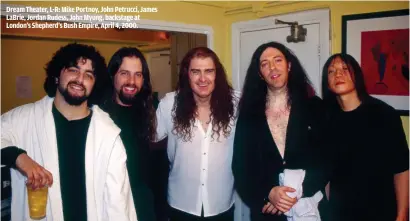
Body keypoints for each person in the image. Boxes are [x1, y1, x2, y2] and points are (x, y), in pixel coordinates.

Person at [1, 43, 137, 221]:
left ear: (94, 84)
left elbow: (118, 203)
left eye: (89, 75)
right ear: (57, 75)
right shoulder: (25, 119)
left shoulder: (108, 135)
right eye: (73, 70)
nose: (80, 79)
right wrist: (19, 157)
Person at [232, 41, 328, 221]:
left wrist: (295, 193)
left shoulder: (314, 107)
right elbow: (241, 165)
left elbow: (327, 158)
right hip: (267, 213)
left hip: (309, 208)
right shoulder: (249, 113)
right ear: (260, 74)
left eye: (277, 60)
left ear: (289, 65)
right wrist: (267, 193)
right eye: (264, 64)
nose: (272, 68)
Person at [321, 53, 409, 221]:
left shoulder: (384, 114)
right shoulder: (325, 118)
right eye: (331, 72)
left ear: (357, 75)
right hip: (339, 213)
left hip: (380, 211)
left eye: (344, 69)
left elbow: (402, 169)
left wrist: (402, 215)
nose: (338, 74)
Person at [155, 47, 238, 221]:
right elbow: (150, 140)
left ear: (217, 74)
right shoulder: (170, 104)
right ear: (187, 75)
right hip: (180, 204)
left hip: (221, 205)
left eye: (209, 71)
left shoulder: (236, 104)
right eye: (195, 72)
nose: (202, 79)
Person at [99, 47, 159, 221]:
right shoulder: (97, 115)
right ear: (113, 76)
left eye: (138, 75)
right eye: (124, 73)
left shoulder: (151, 111)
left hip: (143, 206)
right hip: (109, 206)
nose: (132, 81)